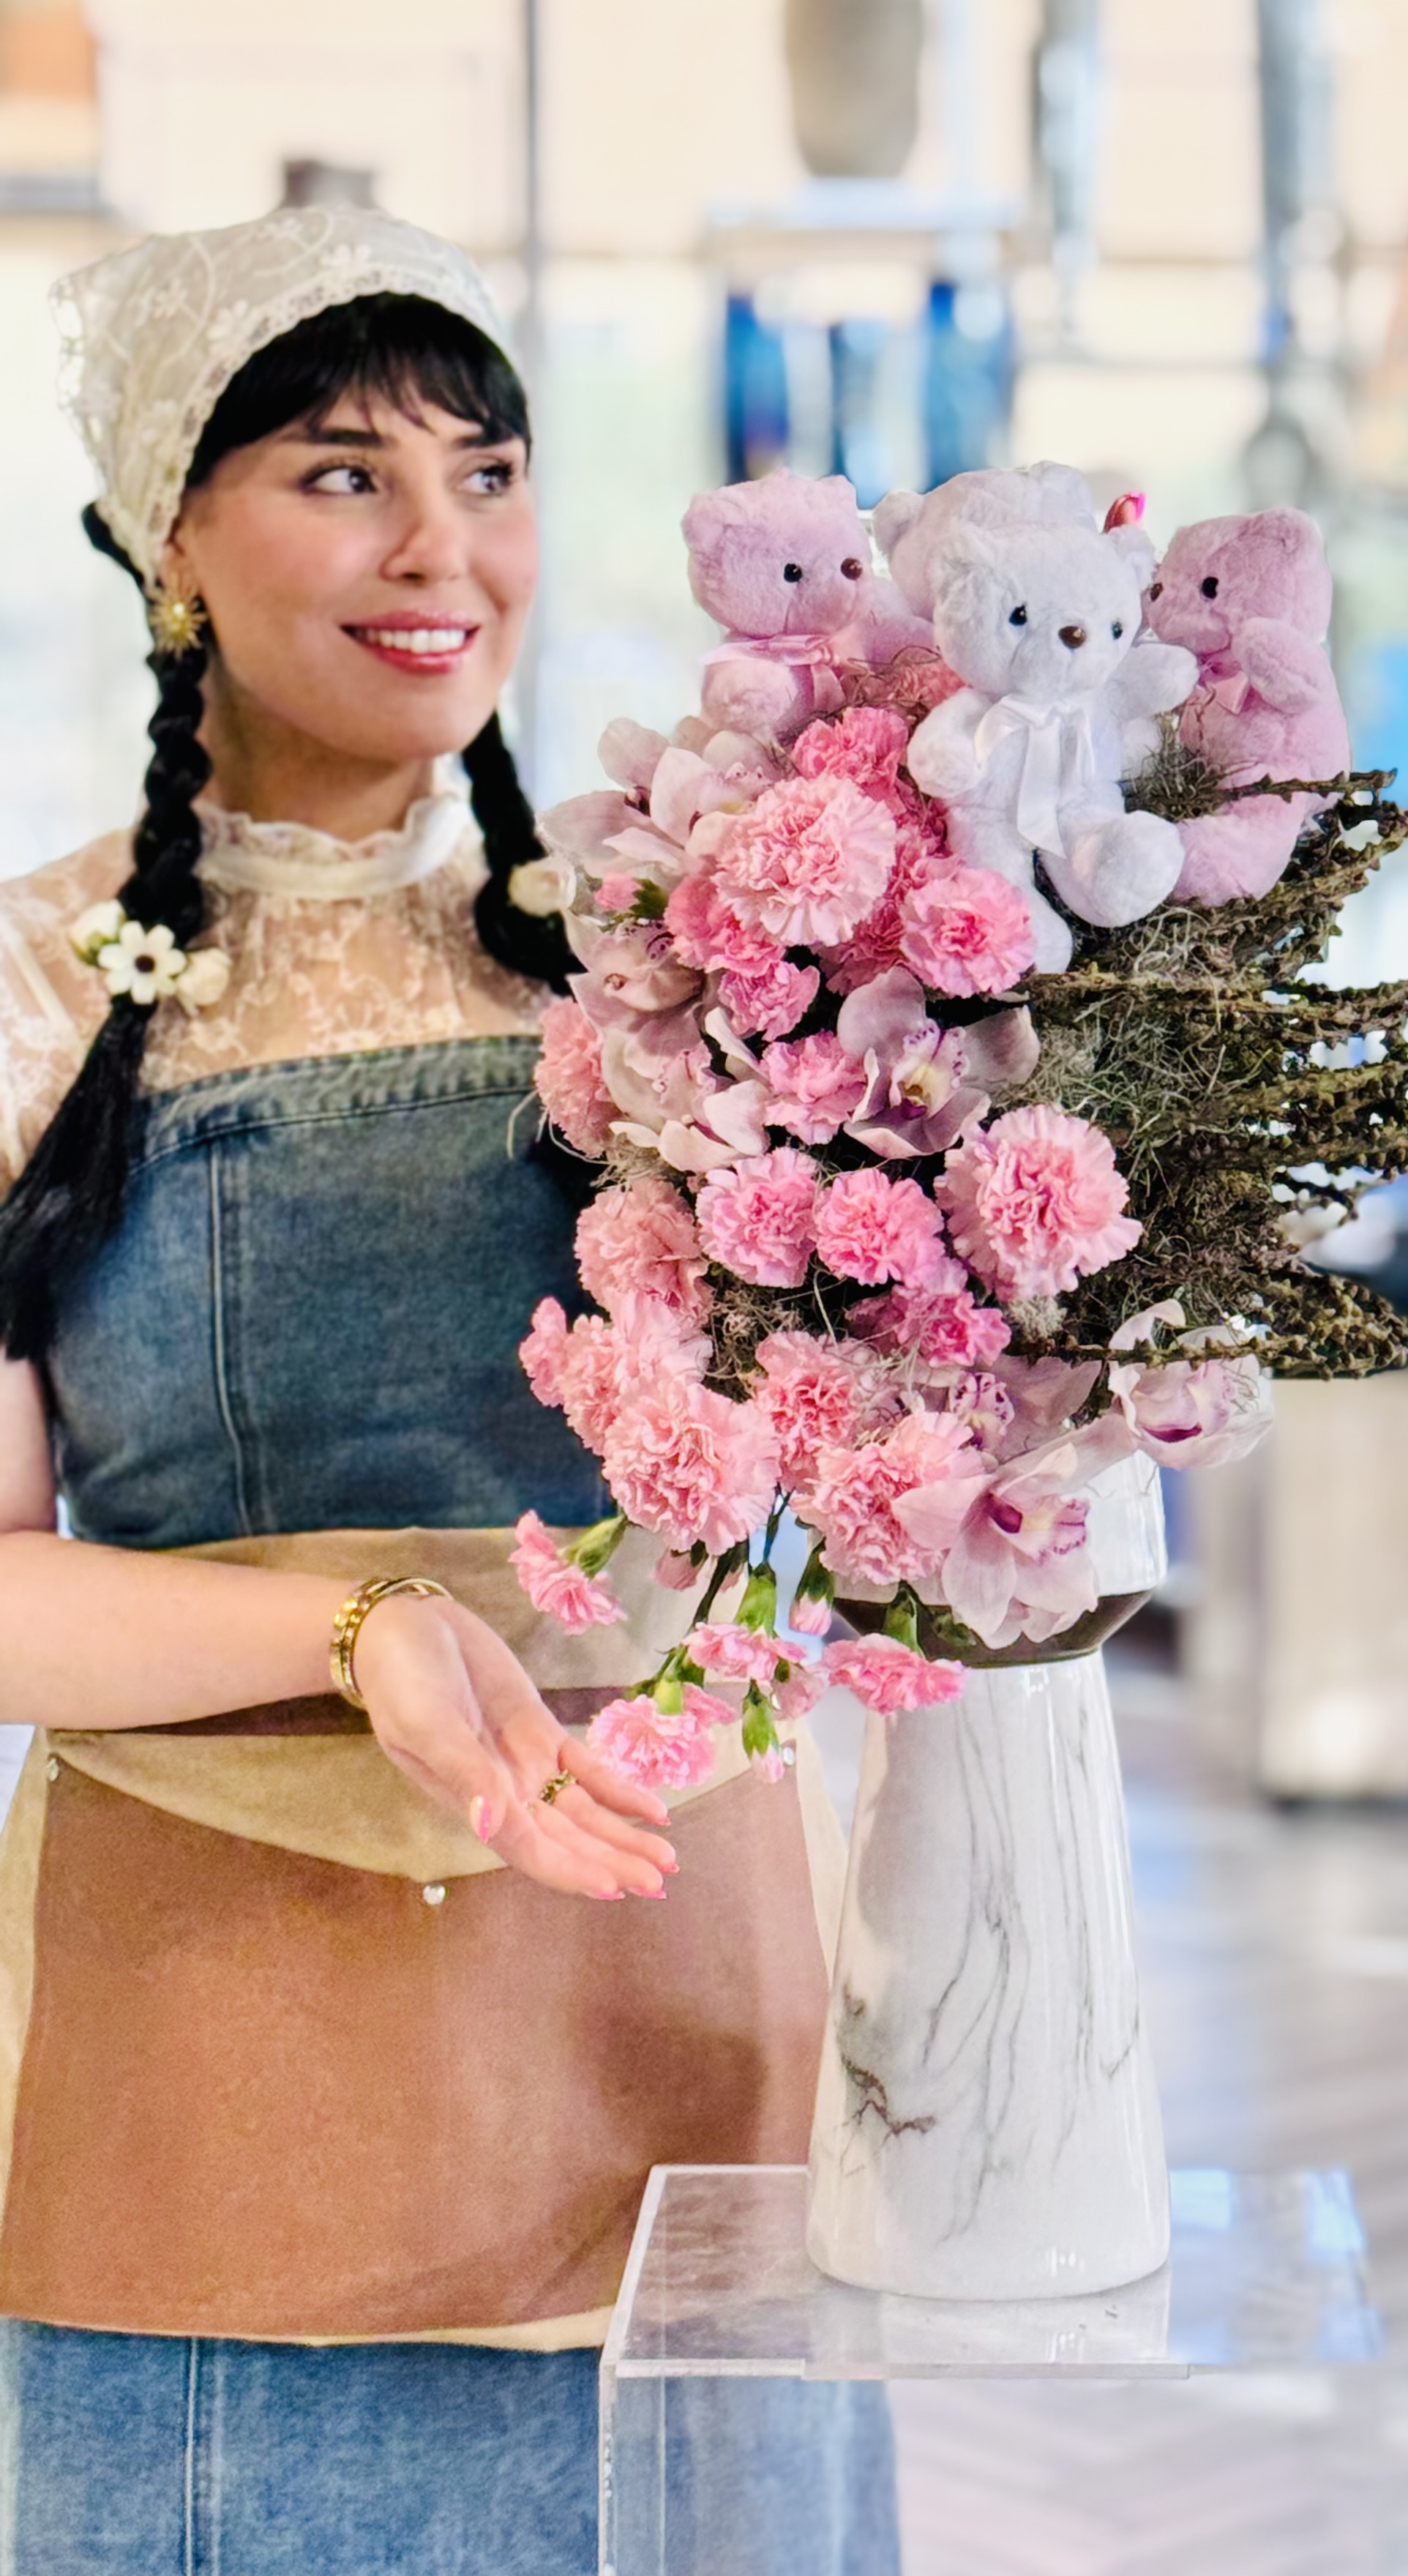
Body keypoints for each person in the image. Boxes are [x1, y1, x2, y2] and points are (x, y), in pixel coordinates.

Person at [0, 206, 899, 2573]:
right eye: (344, 475)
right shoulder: (30, 986)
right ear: (170, 544)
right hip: (235, 2043)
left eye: (485, 475)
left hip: (683, 1998)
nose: (441, 549)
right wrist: (357, 1630)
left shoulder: (678, 954)